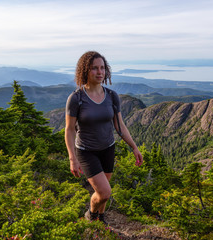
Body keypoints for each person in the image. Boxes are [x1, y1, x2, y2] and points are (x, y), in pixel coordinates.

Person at [65, 51, 143, 225]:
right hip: (86, 151)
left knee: (103, 193)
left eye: (102, 68)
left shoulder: (112, 96)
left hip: (108, 148)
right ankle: (91, 214)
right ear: (85, 71)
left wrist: (134, 147)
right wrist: (72, 158)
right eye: (94, 68)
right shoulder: (76, 98)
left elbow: (120, 126)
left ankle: (100, 220)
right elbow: (69, 130)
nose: (99, 72)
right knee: (105, 192)